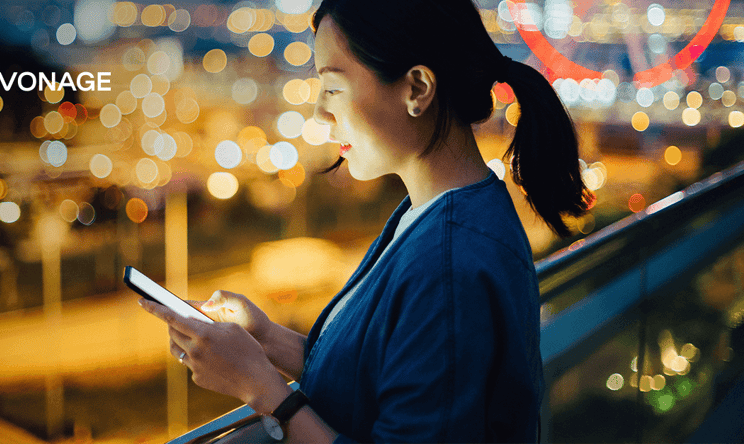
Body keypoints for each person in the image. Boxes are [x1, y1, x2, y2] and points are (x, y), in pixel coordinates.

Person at [139, 0, 593, 442]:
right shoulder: (439, 214)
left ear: (417, 89)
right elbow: (383, 375)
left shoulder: (451, 263)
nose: (320, 113)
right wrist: (265, 337)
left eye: (333, 88)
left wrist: (263, 391)